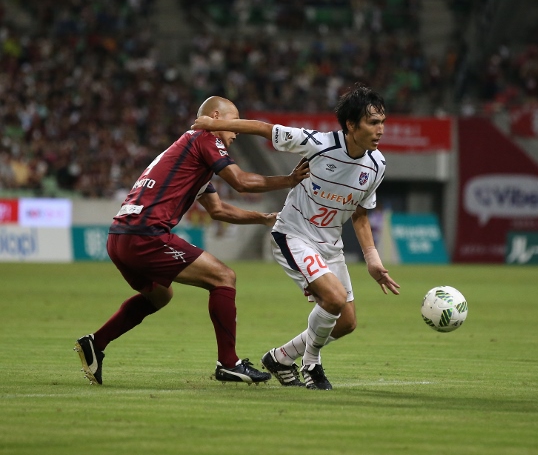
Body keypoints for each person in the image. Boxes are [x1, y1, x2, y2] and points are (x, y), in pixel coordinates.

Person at [74, 96, 310, 385]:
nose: (237, 131)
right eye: (233, 122)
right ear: (215, 117)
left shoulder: (188, 154)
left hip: (120, 237)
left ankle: (95, 343)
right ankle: (229, 364)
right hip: (145, 234)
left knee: (160, 295)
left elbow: (218, 210)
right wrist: (288, 180)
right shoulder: (205, 138)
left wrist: (263, 218)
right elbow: (241, 182)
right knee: (223, 277)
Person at [192, 84, 400, 389]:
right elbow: (264, 129)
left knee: (346, 322)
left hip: (331, 245)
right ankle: (311, 364)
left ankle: (280, 357)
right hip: (294, 234)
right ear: (351, 125)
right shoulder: (318, 143)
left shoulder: (377, 165)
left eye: (382, 122)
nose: (380, 130)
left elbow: (360, 214)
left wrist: (373, 259)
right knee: (333, 298)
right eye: (373, 122)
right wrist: (214, 125)